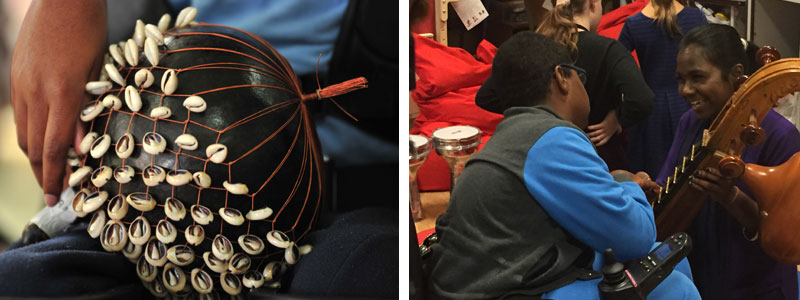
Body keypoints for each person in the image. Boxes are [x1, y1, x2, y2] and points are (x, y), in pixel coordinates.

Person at [426, 31, 699, 299]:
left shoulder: (517, 135)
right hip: (504, 291)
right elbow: (636, 236)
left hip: (494, 278)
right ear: (561, 77)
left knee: (668, 257)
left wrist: (615, 180)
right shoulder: (551, 138)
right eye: (580, 77)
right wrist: (629, 184)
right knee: (676, 288)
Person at [658, 23, 800, 299]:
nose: (685, 90)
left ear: (736, 75)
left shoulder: (782, 137)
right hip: (702, 275)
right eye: (680, 79)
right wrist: (650, 187)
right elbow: (667, 178)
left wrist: (732, 198)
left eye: (697, 77)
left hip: (756, 286)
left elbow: (789, 236)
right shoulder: (691, 122)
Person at [533, 0, 654, 170]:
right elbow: (642, 99)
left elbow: (490, 96)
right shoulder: (608, 48)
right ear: (592, 3)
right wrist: (618, 118)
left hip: (547, 153)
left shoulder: (538, 46)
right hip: (600, 155)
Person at [618, 0, 706, 177]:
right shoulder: (695, 17)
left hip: (650, 112)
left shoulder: (634, 24)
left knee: (651, 177)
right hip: (689, 103)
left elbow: (616, 66)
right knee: (690, 172)